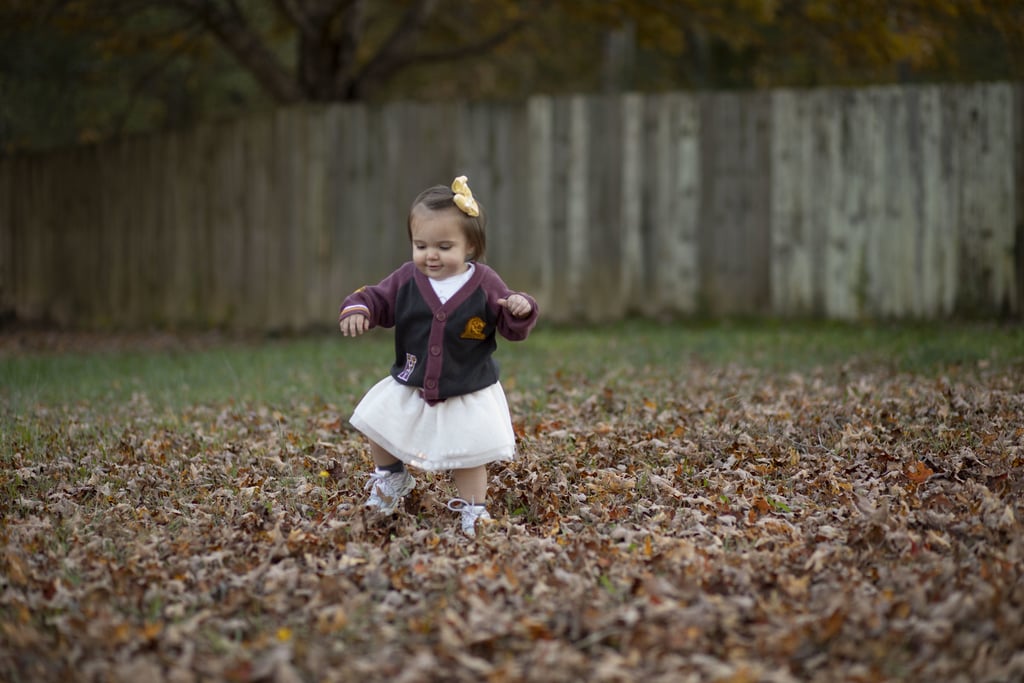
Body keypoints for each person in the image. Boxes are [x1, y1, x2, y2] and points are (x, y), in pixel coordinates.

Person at [338, 175, 539, 536]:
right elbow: (376, 297)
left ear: (470, 248)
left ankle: (474, 511)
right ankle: (391, 478)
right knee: (378, 421)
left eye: (444, 247)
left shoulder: (486, 283)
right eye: (421, 245)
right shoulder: (406, 279)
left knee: (470, 454)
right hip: (412, 378)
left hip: (467, 386)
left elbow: (510, 324)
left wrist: (519, 309)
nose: (430, 255)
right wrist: (359, 309)